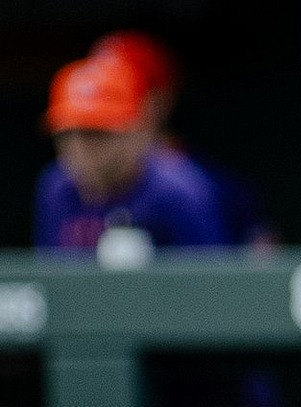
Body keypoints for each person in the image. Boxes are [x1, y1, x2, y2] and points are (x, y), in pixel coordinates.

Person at [33, 50, 227, 255]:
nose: (80, 146)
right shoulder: (56, 188)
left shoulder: (179, 192)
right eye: (68, 133)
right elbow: (51, 280)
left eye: (97, 133)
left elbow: (208, 282)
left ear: (137, 129)